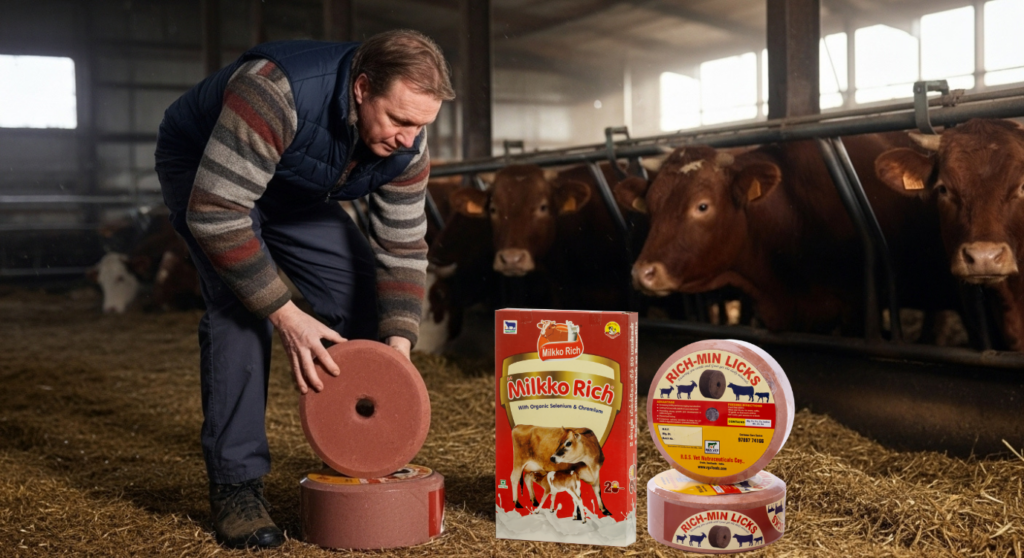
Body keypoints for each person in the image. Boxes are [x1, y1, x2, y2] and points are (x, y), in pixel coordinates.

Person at [154, 29, 453, 549]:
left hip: (294, 182)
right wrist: (285, 313)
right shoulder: (273, 92)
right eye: (400, 120)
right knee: (240, 312)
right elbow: (219, 213)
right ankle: (237, 486)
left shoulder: (409, 145)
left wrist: (398, 350)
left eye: (421, 125)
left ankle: (351, 449)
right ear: (361, 88)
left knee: (365, 294)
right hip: (209, 174)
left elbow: (402, 250)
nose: (410, 137)